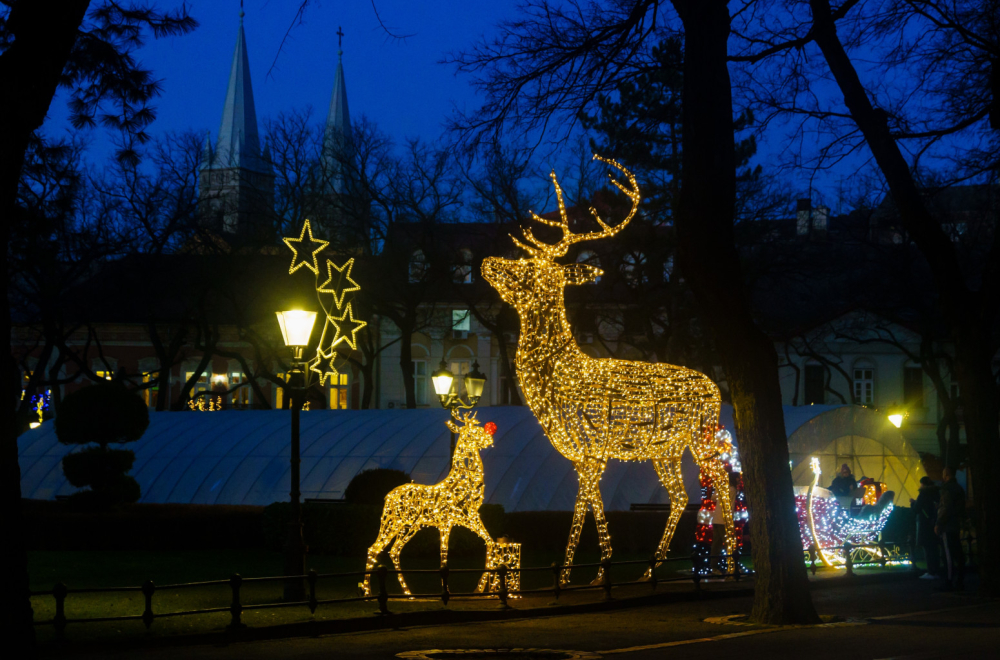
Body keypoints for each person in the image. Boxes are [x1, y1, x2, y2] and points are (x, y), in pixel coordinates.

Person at [935, 466, 966, 591]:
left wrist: (939, 523)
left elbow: (945, 508)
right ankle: (960, 580)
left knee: (948, 555)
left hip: (947, 526)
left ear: (946, 474)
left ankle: (949, 581)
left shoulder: (947, 489)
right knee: (958, 552)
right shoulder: (959, 488)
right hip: (955, 524)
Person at [910, 476, 940, 579]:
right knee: (934, 548)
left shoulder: (923, 493)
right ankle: (936, 571)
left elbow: (917, 509)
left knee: (927, 548)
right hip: (934, 522)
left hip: (925, 524)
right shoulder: (936, 493)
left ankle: (931, 571)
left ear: (922, 484)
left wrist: (913, 503)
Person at [710, 473, 739, 574]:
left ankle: (714, 567)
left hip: (716, 519)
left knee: (716, 544)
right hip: (725, 520)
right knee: (729, 544)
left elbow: (713, 498)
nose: (739, 480)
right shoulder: (732, 490)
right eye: (738, 478)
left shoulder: (721, 488)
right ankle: (731, 568)